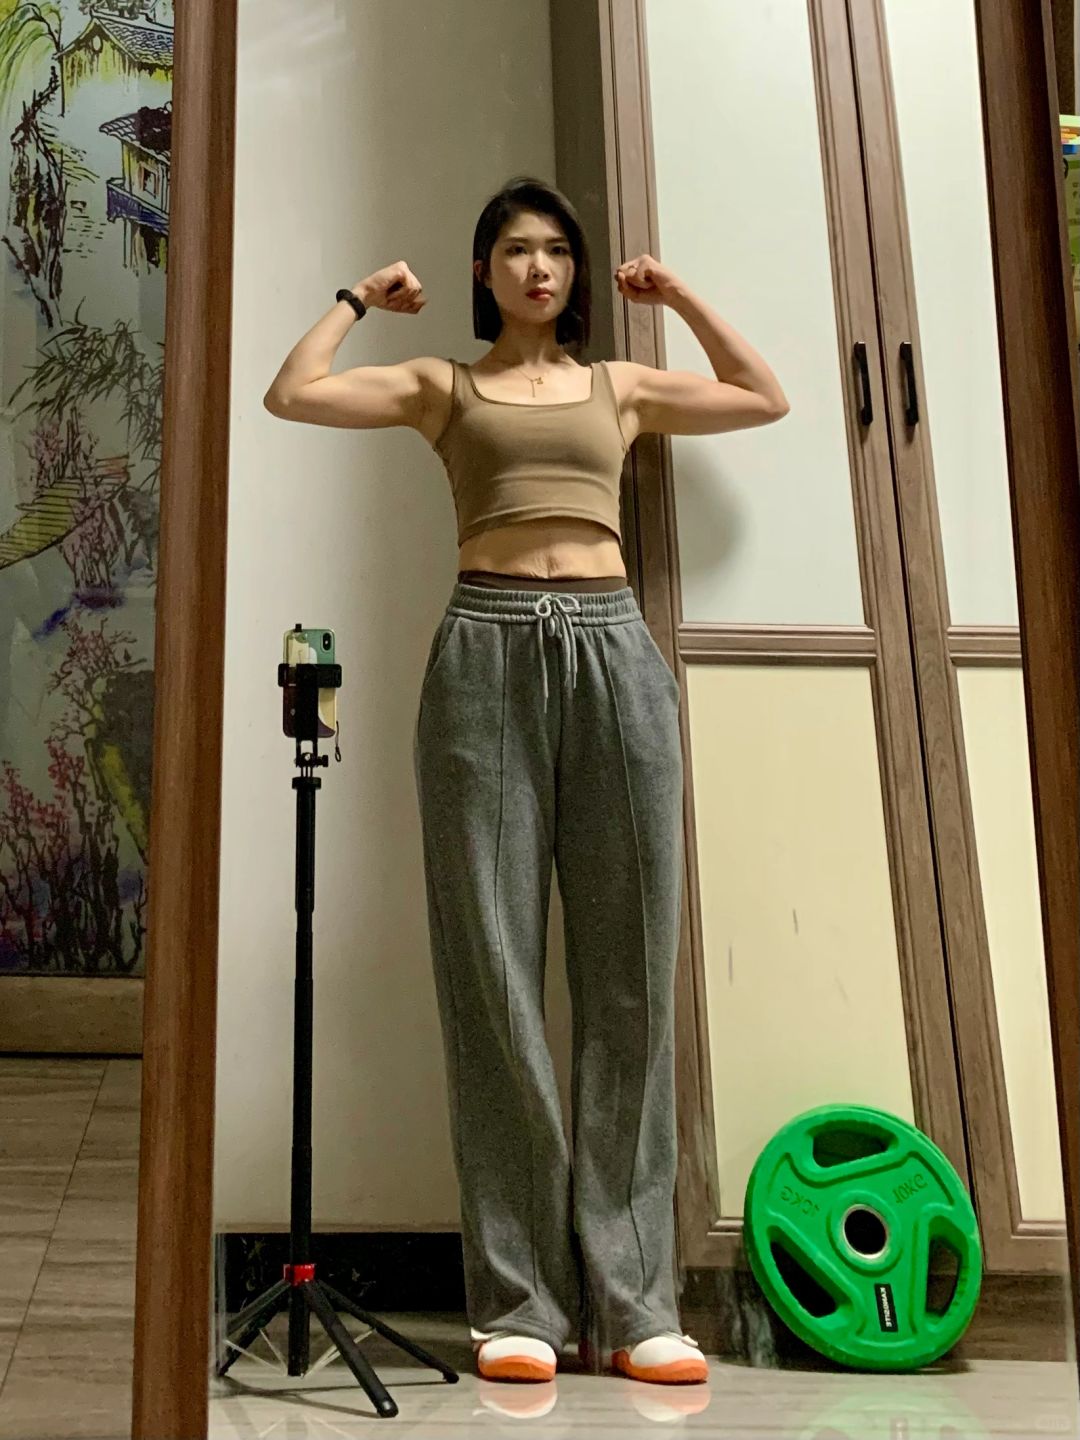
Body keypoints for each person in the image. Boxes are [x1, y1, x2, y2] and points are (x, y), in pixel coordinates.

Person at [264, 176, 788, 1386]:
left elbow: (764, 395)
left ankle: (636, 1305)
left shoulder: (623, 388)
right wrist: (358, 297)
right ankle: (520, 1303)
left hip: (615, 654)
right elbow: (292, 391)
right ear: (483, 271)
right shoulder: (443, 386)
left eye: (557, 250)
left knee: (631, 981)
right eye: (515, 250)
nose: (539, 268)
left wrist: (678, 294)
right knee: (492, 979)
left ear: (577, 272)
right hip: (484, 656)